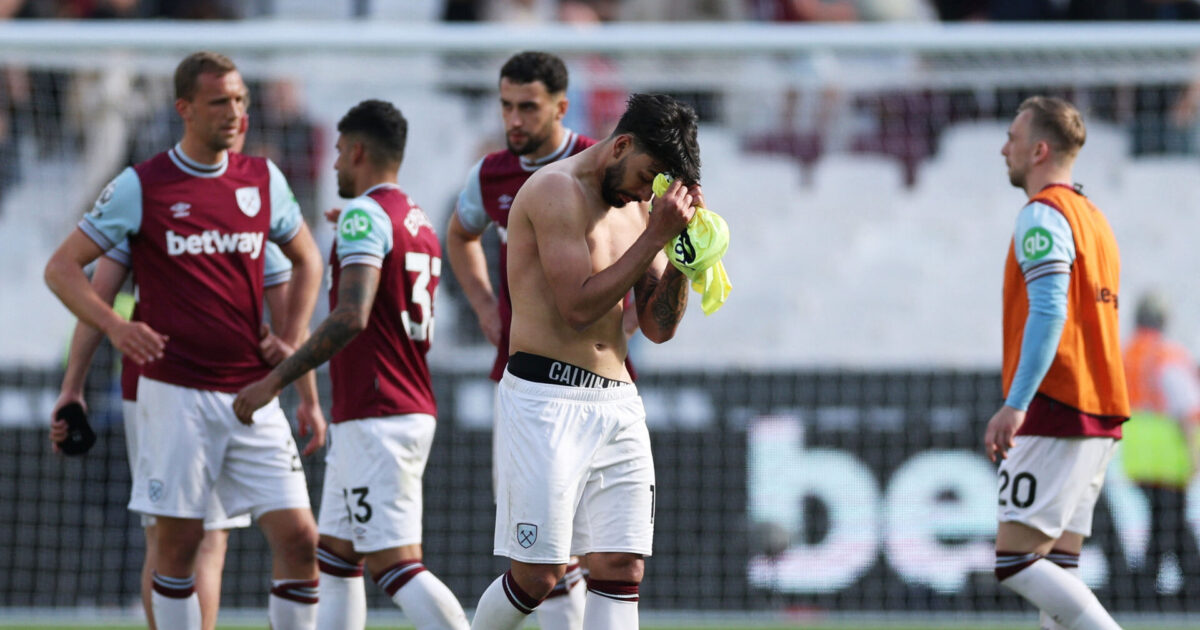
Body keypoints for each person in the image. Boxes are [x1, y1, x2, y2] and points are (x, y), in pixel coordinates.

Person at [43, 51, 325, 630]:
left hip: (251, 394)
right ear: (185, 109)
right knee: (177, 542)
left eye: (241, 100)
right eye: (220, 101)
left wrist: (296, 363)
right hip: (170, 394)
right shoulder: (141, 188)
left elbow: (304, 265)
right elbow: (72, 274)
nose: (235, 112)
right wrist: (98, 354)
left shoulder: (263, 183)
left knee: (294, 539)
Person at [232, 99, 470, 630]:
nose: (335, 163)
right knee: (337, 556)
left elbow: (351, 316)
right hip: (386, 406)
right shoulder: (414, 218)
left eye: (340, 152)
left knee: (395, 563)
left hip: (379, 412)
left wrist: (274, 381)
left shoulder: (366, 215)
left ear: (359, 151)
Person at [468, 93, 701, 630]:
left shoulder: (641, 209)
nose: (645, 191)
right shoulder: (554, 190)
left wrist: (682, 256)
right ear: (621, 145)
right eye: (645, 176)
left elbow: (657, 328)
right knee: (538, 575)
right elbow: (576, 308)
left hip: (618, 400)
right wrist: (655, 236)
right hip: (545, 399)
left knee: (623, 566)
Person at [447, 50, 639, 629]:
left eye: (527, 107)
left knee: (607, 558)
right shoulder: (491, 175)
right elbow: (459, 234)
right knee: (545, 561)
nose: (514, 119)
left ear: (560, 106)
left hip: (603, 386)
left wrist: (625, 323)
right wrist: (485, 305)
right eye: (506, 105)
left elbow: (631, 258)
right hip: (528, 385)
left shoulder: (599, 171)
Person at [984, 95, 1128, 630]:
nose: (1004, 150)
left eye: (1013, 138)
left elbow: (1049, 311)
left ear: (1039, 150)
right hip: (1100, 409)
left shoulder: (1043, 214)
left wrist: (1016, 403)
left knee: (1016, 561)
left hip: (1058, 405)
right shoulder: (1094, 218)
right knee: (1058, 569)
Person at [1121, 292, 1200, 607]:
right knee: (1170, 524)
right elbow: (1188, 408)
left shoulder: (1125, 355)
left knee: (1168, 524)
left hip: (1137, 458)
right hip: (1169, 458)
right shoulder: (1168, 355)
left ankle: (1149, 588)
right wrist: (1194, 454)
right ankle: (1151, 590)